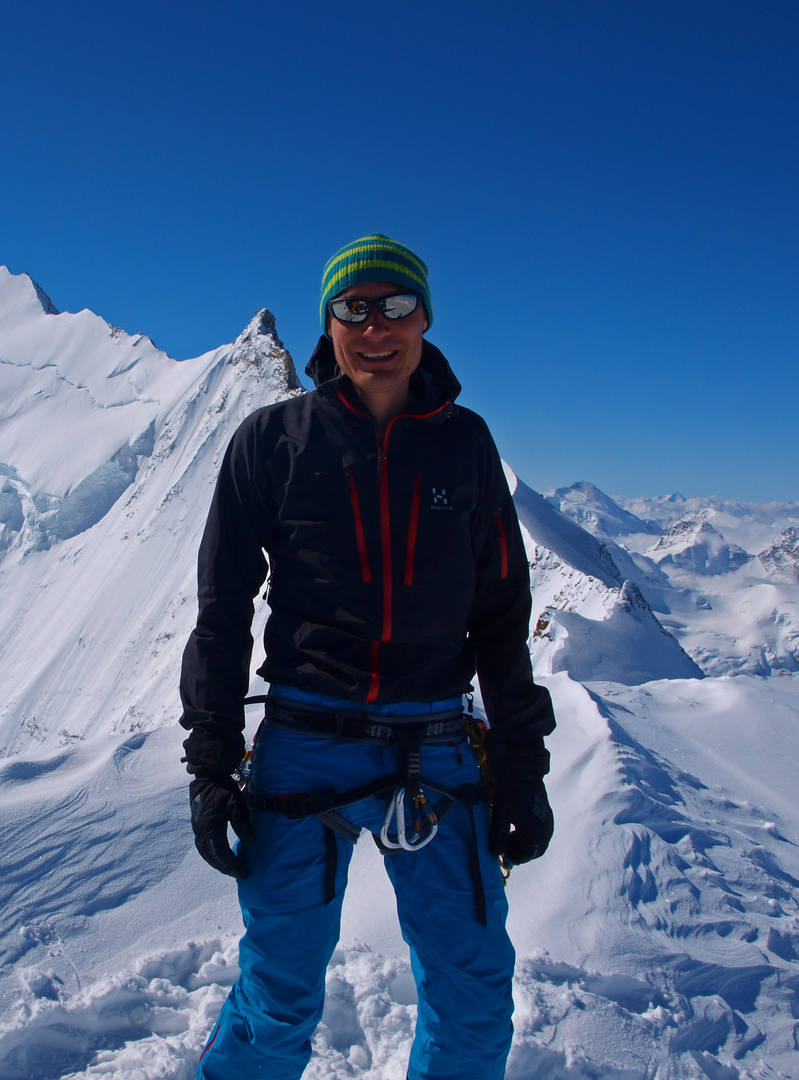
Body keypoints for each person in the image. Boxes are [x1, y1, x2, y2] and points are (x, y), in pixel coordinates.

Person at [179, 234, 556, 1080]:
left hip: (437, 748)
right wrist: (210, 766)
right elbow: (222, 611)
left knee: (473, 991)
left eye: (395, 306)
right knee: (277, 998)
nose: (374, 327)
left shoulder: (465, 445)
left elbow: (502, 615)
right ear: (330, 322)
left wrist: (522, 767)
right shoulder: (272, 441)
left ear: (425, 319)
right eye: (354, 307)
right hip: (305, 743)